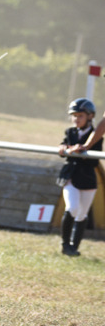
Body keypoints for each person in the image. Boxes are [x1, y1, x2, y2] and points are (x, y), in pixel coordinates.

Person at [58, 98, 100, 256]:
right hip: (70, 177)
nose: (76, 119)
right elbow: (64, 144)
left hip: (87, 179)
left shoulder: (96, 136)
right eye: (74, 115)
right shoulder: (70, 132)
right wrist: (64, 148)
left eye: (80, 115)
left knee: (82, 214)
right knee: (72, 208)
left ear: (90, 116)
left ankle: (74, 247)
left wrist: (81, 152)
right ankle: (65, 245)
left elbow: (94, 160)